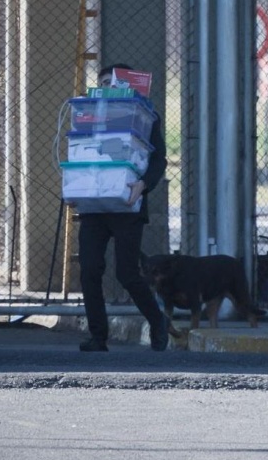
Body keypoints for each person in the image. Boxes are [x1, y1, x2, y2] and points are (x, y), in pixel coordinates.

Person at [77, 63, 169, 352]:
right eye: (103, 82)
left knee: (127, 273)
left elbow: (159, 159)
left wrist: (143, 185)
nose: (108, 87)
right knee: (90, 268)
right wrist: (74, 188)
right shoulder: (87, 115)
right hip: (94, 205)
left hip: (128, 204)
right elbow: (79, 153)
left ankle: (157, 322)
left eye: (114, 82)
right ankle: (98, 336)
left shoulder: (145, 117)